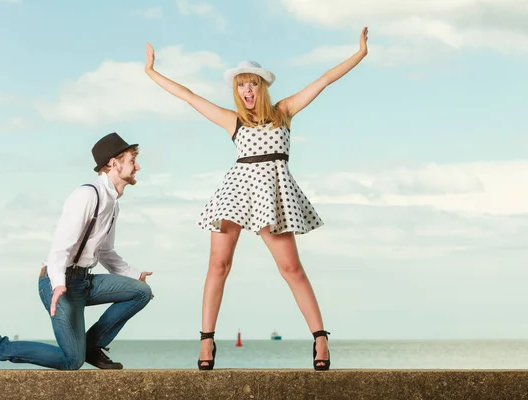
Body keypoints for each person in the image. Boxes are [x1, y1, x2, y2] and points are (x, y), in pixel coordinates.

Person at [144, 28, 368, 370]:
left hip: (272, 194)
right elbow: (189, 96)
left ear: (262, 86)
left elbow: (323, 80)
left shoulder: (284, 112)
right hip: (235, 192)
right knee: (218, 266)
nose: (246, 90)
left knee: (292, 268)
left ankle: (320, 339)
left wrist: (360, 53)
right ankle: (206, 344)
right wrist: (151, 72)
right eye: (240, 84)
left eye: (251, 83)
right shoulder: (233, 121)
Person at [0, 132, 154, 370]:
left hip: (84, 280)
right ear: (113, 163)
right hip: (59, 281)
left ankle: (92, 347)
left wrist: (133, 274)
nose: (137, 167)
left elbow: (106, 251)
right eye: (132, 161)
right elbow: (60, 247)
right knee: (72, 361)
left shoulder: (112, 205)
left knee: (141, 292)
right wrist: (58, 283)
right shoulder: (87, 195)